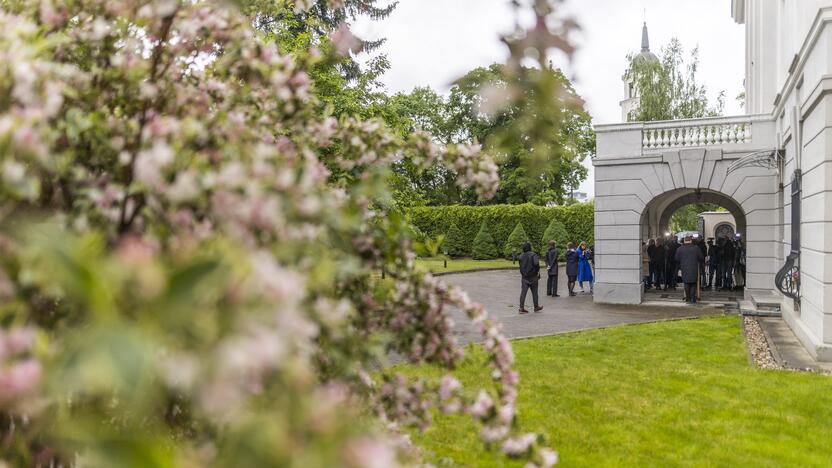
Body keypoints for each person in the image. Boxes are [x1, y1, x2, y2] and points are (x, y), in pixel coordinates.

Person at [675, 236, 704, 304]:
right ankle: (693, 298)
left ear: (684, 241)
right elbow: (701, 257)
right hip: (694, 267)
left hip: (684, 267)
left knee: (686, 282)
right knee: (693, 283)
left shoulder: (680, 249)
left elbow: (676, 258)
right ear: (691, 241)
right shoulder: (696, 248)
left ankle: (687, 298)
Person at [518, 242, 543, 314]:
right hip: (533, 276)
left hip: (524, 277)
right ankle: (536, 307)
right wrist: (537, 270)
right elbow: (536, 263)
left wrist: (523, 273)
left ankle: (521, 308)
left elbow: (521, 266)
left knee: (523, 293)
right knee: (535, 292)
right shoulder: (533, 255)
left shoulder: (521, 256)